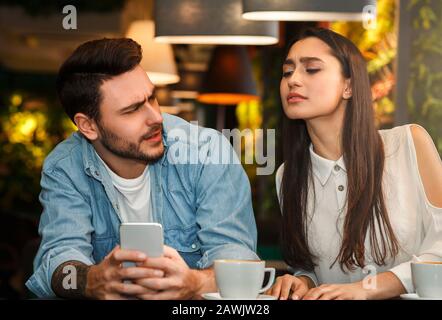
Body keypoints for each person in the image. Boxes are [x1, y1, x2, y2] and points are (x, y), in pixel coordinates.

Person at [25, 38, 259, 299]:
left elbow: (237, 258)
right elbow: (60, 257)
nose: (156, 117)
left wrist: (194, 283)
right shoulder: (65, 168)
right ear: (88, 126)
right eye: (133, 110)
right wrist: (91, 281)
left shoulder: (206, 151)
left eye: (152, 98)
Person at [267, 28, 442, 300]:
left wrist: (368, 288)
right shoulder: (287, 176)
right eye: (287, 72)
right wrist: (304, 281)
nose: (294, 80)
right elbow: (312, 266)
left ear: (348, 85)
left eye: (311, 69)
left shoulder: (409, 144)